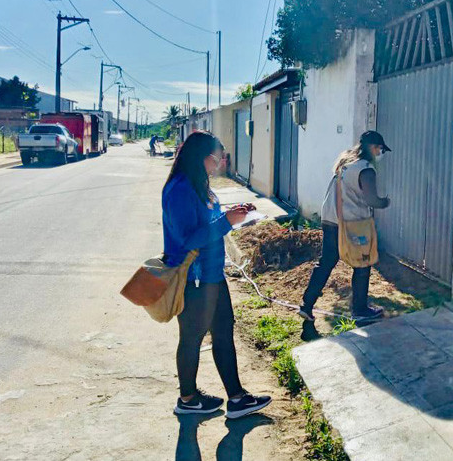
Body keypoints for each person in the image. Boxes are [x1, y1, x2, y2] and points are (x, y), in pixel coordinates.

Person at [162, 131, 271, 419]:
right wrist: (226, 222)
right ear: (203, 157)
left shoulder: (200, 185)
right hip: (194, 279)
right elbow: (188, 239)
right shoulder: (180, 189)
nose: (221, 163)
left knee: (223, 333)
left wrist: (234, 214)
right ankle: (188, 399)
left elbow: (209, 220)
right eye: (218, 157)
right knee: (192, 338)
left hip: (211, 275)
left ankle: (235, 399)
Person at [298, 130, 392, 322]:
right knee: (363, 263)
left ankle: (307, 305)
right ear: (373, 148)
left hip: (331, 219)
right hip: (352, 222)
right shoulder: (365, 169)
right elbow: (371, 199)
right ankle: (360, 310)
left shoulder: (345, 164)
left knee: (326, 262)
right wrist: (386, 202)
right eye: (380, 149)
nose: (380, 153)